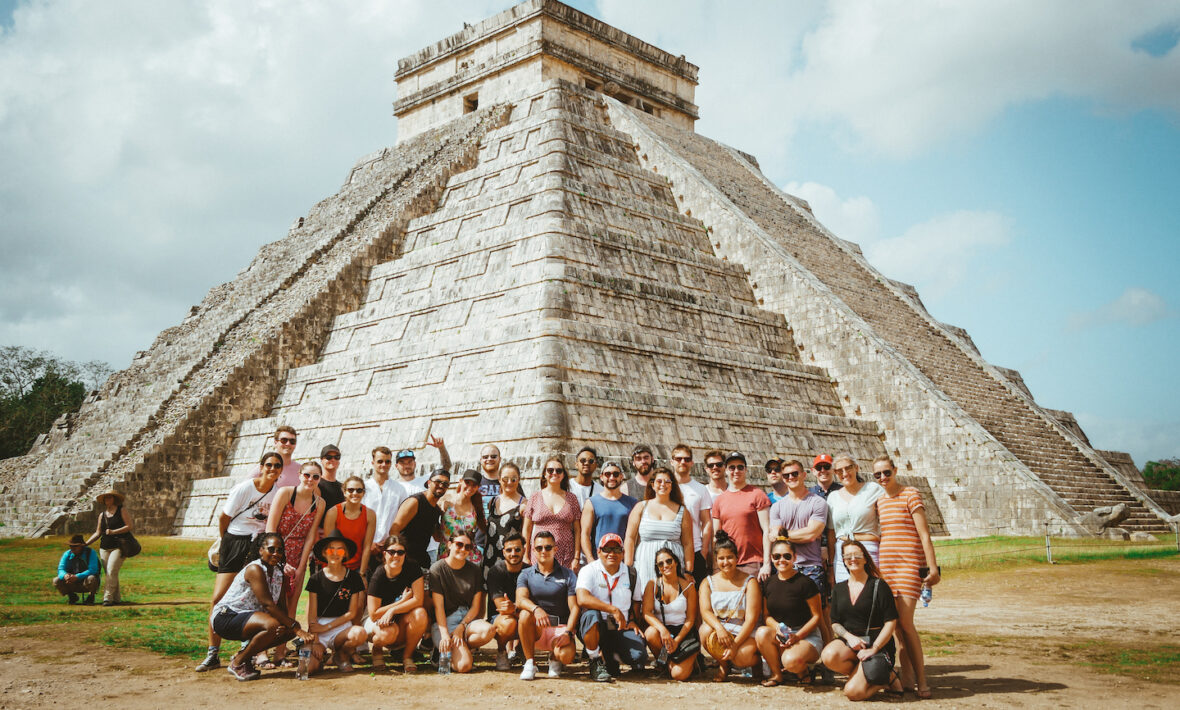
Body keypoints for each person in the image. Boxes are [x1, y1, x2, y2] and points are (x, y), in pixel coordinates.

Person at [196, 451, 282, 672]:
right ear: (261, 466)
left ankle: (249, 650)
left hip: (257, 545)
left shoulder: (276, 492)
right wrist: (227, 542)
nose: (273, 469)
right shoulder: (245, 488)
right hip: (235, 541)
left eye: (277, 466)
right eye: (269, 465)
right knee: (218, 598)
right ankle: (213, 652)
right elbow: (224, 517)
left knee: (253, 600)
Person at [873, 455, 940, 699]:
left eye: (886, 472)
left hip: (909, 565)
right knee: (897, 628)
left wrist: (932, 568)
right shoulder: (880, 501)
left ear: (895, 470)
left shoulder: (910, 494)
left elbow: (924, 534)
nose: (882, 477)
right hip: (888, 567)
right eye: (877, 474)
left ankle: (922, 679)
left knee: (906, 623)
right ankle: (908, 678)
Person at [209, 533, 313, 681]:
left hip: (251, 619)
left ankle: (244, 658)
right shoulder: (255, 569)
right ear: (260, 550)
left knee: (287, 632)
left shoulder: (279, 573)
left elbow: (282, 606)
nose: (276, 553)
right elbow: (267, 604)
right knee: (274, 625)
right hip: (227, 617)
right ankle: (237, 663)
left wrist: (288, 627)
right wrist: (296, 627)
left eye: (280, 550)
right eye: (271, 549)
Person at [820, 540, 902, 701]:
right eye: (847, 556)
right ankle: (875, 675)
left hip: (877, 646)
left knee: (853, 693)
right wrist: (849, 637)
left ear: (865, 558)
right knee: (828, 655)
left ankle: (886, 677)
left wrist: (874, 648)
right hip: (852, 645)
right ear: (843, 560)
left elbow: (891, 622)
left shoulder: (879, 585)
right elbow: (835, 623)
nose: (852, 559)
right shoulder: (839, 588)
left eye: (857, 555)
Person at [768, 459, 831, 648]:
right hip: (785, 565)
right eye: (786, 475)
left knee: (820, 616)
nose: (791, 478)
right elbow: (774, 536)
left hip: (811, 566)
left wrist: (784, 536)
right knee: (784, 616)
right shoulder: (777, 506)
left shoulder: (818, 502)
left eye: (795, 473)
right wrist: (792, 536)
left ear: (804, 475)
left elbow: (813, 533)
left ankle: (828, 662)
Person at [575, 533, 646, 682]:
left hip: (621, 627)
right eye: (607, 549)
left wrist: (633, 619)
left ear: (623, 553)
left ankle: (609, 656)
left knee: (638, 656)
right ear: (598, 552)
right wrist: (612, 609)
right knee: (591, 615)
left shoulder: (631, 573)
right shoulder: (588, 570)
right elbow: (582, 599)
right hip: (597, 626)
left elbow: (636, 601)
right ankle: (595, 660)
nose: (612, 553)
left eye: (617, 549)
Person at [755, 537, 823, 687]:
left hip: (806, 636)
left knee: (791, 661)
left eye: (787, 556)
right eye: (777, 556)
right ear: (771, 558)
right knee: (761, 633)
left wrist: (798, 636)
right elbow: (766, 616)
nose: (781, 560)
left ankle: (804, 671)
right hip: (782, 634)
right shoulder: (769, 583)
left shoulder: (806, 583)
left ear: (795, 557)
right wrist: (777, 627)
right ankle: (777, 675)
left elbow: (817, 617)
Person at [428, 530, 496, 673]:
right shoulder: (437, 569)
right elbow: (438, 607)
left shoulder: (474, 570)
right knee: (464, 666)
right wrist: (445, 634)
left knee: (488, 630)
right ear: (449, 545)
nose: (463, 549)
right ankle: (441, 653)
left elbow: (476, 606)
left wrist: (461, 627)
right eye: (459, 544)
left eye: (468, 547)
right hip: (444, 622)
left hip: (466, 620)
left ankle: (460, 648)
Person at [699, 531, 762, 682]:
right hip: (720, 630)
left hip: (744, 631)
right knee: (704, 630)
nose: (725, 562)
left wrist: (735, 645)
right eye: (721, 558)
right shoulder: (708, 582)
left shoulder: (750, 582)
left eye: (729, 557)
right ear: (716, 559)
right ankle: (724, 666)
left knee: (740, 659)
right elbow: (705, 611)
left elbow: (751, 619)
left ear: (737, 558)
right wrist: (719, 629)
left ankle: (757, 663)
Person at [265, 462, 326, 619]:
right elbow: (270, 529)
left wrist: (301, 567)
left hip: (298, 555)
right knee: (270, 602)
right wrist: (280, 561)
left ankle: (282, 644)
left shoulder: (320, 503)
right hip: (275, 553)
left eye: (315, 476)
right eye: (306, 475)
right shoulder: (285, 493)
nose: (310, 479)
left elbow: (311, 536)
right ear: (299, 475)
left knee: (292, 603)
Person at [516, 530, 579, 680]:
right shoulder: (525, 574)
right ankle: (530, 663)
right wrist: (536, 609)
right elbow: (520, 599)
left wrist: (568, 633)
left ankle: (554, 659)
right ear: (533, 550)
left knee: (566, 656)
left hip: (559, 629)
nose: (543, 551)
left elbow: (575, 608)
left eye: (548, 547)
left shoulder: (568, 574)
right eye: (539, 548)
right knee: (525, 614)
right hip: (537, 628)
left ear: (555, 549)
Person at [624, 467, 692, 604]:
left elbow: (688, 543)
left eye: (667, 481)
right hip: (645, 563)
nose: (663, 485)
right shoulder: (641, 507)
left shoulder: (682, 511)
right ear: (652, 484)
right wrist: (628, 566)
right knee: (644, 601)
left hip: (672, 565)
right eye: (659, 481)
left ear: (672, 485)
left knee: (672, 602)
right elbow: (630, 538)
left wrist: (689, 571)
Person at [305, 531, 367, 674]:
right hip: (318, 630)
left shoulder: (354, 578)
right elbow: (312, 616)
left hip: (341, 627)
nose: (335, 553)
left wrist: (327, 627)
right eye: (330, 549)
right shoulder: (315, 579)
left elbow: (352, 613)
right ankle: (320, 659)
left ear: (345, 554)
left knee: (360, 633)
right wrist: (315, 641)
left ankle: (341, 655)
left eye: (339, 549)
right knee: (305, 669)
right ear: (324, 553)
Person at [365, 534, 429, 673]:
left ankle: (407, 657)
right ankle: (377, 650)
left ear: (405, 554)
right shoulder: (379, 575)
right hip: (375, 622)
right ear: (384, 554)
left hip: (398, 619)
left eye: (400, 552)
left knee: (420, 613)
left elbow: (418, 600)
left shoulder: (412, 568)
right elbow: (373, 613)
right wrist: (402, 601)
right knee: (388, 633)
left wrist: (392, 611)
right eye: (391, 552)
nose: (396, 556)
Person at [710, 452, 771, 580]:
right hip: (728, 564)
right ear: (726, 470)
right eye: (732, 467)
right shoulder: (719, 500)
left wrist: (766, 564)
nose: (736, 471)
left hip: (753, 563)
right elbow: (716, 536)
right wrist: (716, 566)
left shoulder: (757, 494)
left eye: (740, 467)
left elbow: (767, 531)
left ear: (746, 469)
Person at [641, 547, 699, 681]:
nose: (665, 565)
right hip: (664, 633)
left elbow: (691, 619)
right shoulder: (653, 584)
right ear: (657, 567)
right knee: (650, 633)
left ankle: (689, 660)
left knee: (678, 675)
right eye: (660, 564)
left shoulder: (688, 587)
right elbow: (647, 612)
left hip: (683, 632)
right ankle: (665, 663)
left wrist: (677, 640)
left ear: (676, 562)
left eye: (668, 561)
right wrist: (663, 630)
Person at [827, 455, 883, 583]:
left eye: (848, 468)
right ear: (835, 473)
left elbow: (887, 520)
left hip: (869, 549)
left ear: (856, 468)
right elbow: (831, 532)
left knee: (871, 592)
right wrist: (831, 564)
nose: (844, 473)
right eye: (839, 471)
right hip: (842, 552)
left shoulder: (873, 489)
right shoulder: (833, 497)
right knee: (846, 595)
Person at [523, 456, 581, 569]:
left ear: (563, 475)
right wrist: (525, 555)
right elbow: (526, 529)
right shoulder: (535, 497)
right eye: (550, 470)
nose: (554, 473)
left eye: (559, 470)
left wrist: (576, 557)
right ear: (544, 474)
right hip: (540, 552)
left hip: (565, 553)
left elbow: (578, 530)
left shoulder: (572, 498)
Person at [390, 468, 449, 575]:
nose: (441, 485)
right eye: (438, 482)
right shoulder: (415, 502)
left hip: (421, 560)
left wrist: (446, 516)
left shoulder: (436, 510)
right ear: (429, 483)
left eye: (445, 484)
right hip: (404, 560)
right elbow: (394, 531)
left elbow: (437, 537)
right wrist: (397, 557)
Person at [670, 444, 713, 585]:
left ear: (692, 463)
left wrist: (704, 551)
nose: (683, 462)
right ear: (672, 461)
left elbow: (706, 521)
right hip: (670, 548)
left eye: (687, 459)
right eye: (679, 459)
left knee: (697, 595)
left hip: (695, 550)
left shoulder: (700, 489)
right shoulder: (665, 487)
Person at [579, 461, 638, 559]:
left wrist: (629, 563)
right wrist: (590, 560)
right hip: (599, 560)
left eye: (615, 474)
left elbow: (635, 537)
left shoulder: (633, 504)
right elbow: (585, 534)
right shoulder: (591, 503)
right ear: (601, 477)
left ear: (621, 476)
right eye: (608, 474)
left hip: (623, 560)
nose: (612, 477)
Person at [86, 489, 134, 606]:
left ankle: (107, 597)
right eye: (106, 498)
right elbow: (97, 533)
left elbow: (129, 526)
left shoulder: (121, 511)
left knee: (111, 570)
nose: (108, 500)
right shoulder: (102, 515)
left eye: (110, 497)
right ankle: (116, 598)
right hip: (104, 547)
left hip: (119, 546)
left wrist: (114, 532)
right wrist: (86, 543)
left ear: (114, 499)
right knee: (111, 573)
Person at [487, 532, 526, 670]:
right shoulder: (495, 571)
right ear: (503, 552)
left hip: (521, 615)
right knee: (509, 622)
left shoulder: (529, 571)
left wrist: (515, 609)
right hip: (500, 618)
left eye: (517, 549)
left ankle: (523, 650)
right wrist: (517, 610)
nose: (513, 553)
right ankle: (502, 651)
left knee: (534, 617)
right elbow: (501, 608)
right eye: (509, 550)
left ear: (524, 550)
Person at [324, 476, 376, 577]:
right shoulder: (333, 512)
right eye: (351, 490)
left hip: (357, 567)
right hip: (334, 565)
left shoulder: (370, 515)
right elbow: (328, 545)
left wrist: (361, 573)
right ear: (344, 492)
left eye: (359, 490)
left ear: (363, 493)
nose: (355, 493)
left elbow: (367, 546)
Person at [440, 469, 488, 565]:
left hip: (468, 555)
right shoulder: (446, 500)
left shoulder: (476, 506)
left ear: (478, 487)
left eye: (474, 485)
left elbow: (484, 528)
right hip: (447, 554)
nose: (470, 487)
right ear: (460, 481)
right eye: (467, 482)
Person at [365, 446, 407, 556]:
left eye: (387, 461)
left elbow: (403, 519)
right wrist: (369, 543)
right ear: (372, 462)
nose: (384, 465)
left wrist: (390, 542)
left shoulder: (400, 489)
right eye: (380, 461)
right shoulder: (363, 488)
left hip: (390, 548)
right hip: (366, 546)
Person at [485, 462, 526, 566]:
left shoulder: (524, 505)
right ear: (499, 479)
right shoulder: (492, 502)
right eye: (505, 479)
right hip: (490, 556)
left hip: (512, 559)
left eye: (513, 479)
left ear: (519, 479)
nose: (509, 482)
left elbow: (526, 536)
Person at [53, 535, 100, 605]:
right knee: (56, 580)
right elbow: (61, 569)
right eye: (71, 546)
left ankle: (91, 597)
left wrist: (77, 577)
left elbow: (93, 570)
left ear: (82, 546)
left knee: (92, 578)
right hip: (71, 582)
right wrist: (65, 576)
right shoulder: (67, 554)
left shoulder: (90, 553)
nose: (72, 548)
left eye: (75, 546)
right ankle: (72, 596)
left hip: (85, 582)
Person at [317, 445, 345, 513]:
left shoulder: (343, 487)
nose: (333, 460)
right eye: (328, 457)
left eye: (336, 457)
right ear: (321, 460)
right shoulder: (315, 483)